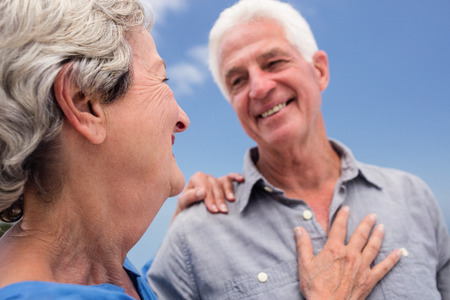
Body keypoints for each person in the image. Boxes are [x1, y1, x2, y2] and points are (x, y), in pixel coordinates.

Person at [147, 0, 450, 299]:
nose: (259, 88)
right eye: (238, 80)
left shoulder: (414, 198)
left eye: (274, 63)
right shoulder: (195, 236)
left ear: (319, 71)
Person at [0, 0, 190, 299]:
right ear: (84, 102)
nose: (183, 119)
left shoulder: (104, 274)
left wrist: (188, 236)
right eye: (160, 77)